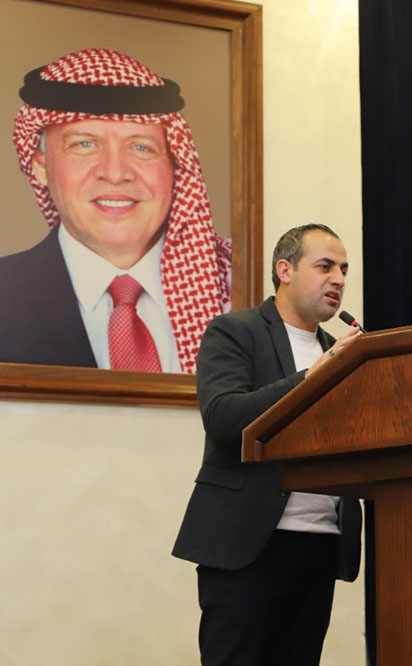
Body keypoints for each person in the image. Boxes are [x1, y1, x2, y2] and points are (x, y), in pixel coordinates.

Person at [172, 224, 363, 666]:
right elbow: (223, 418)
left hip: (320, 544)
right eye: (325, 266)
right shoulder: (235, 331)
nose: (338, 279)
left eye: (343, 270)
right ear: (285, 270)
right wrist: (312, 376)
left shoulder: (342, 352)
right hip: (248, 545)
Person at [0, 48, 230, 373]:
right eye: (84, 144)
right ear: (40, 165)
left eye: (141, 147)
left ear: (175, 165)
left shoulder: (238, 287)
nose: (116, 172)